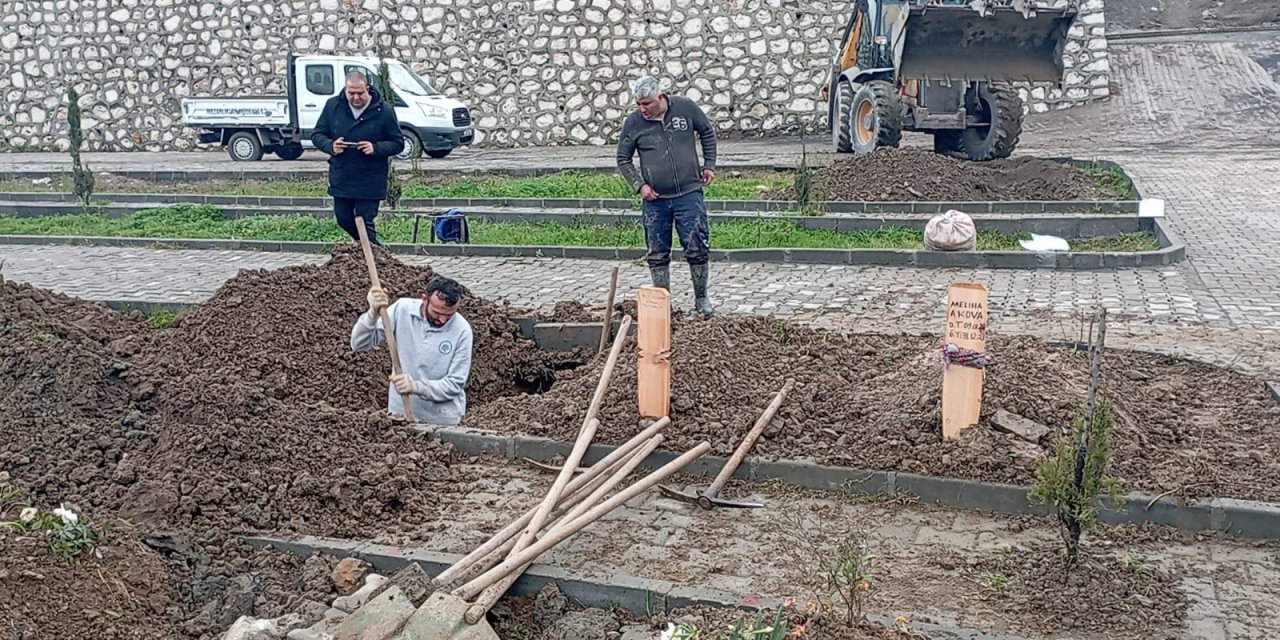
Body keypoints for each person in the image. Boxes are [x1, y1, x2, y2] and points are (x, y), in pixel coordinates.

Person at [616, 75, 718, 316]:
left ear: (660, 97)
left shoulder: (685, 108)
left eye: (647, 103)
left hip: (689, 193)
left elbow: (707, 132)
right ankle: (664, 303)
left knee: (697, 245)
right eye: (638, 104)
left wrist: (709, 165)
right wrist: (639, 185)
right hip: (655, 200)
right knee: (657, 252)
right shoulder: (634, 123)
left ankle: (701, 298)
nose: (642, 109)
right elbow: (623, 158)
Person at [350, 275, 474, 425]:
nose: (442, 320)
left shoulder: (462, 331)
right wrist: (372, 313)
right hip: (399, 417)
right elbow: (359, 344)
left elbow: (454, 384)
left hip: (443, 422)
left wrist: (416, 387)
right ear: (424, 299)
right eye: (437, 313)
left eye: (449, 315)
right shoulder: (402, 310)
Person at [311, 70, 405, 245]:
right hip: (342, 176)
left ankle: (374, 255)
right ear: (345, 89)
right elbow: (317, 135)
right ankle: (375, 251)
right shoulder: (333, 106)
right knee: (343, 218)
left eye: (360, 93)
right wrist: (331, 146)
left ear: (367, 88)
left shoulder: (384, 110)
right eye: (351, 93)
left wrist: (375, 148)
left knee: (364, 219)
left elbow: (398, 143)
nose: (355, 98)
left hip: (370, 178)